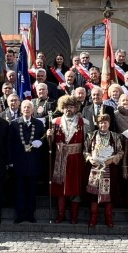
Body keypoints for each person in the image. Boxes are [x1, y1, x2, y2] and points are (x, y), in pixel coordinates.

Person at [7, 100, 46, 223]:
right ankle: (20, 214)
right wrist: (10, 160)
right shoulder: (14, 124)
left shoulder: (38, 124)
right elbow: (9, 143)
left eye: (29, 107)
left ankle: (30, 214)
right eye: (24, 107)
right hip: (19, 163)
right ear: (21, 109)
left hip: (33, 162)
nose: (26, 109)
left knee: (31, 191)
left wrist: (41, 142)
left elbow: (43, 139)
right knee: (19, 190)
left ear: (33, 110)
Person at [48, 96, 86, 224]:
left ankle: (74, 216)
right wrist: (50, 136)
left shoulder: (83, 122)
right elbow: (50, 143)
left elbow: (87, 141)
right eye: (65, 107)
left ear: (75, 108)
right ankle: (61, 215)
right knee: (60, 188)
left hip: (76, 159)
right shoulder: (55, 122)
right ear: (62, 108)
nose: (68, 109)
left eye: (71, 107)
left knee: (75, 188)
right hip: (60, 158)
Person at [84, 114, 124, 227]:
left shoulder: (115, 137)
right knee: (93, 195)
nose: (103, 125)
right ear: (97, 124)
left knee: (109, 193)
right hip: (95, 168)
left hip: (110, 169)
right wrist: (89, 158)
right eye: (101, 122)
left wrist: (112, 160)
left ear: (109, 124)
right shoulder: (91, 136)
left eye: (105, 122)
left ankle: (109, 218)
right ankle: (93, 218)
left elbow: (120, 152)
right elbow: (85, 151)